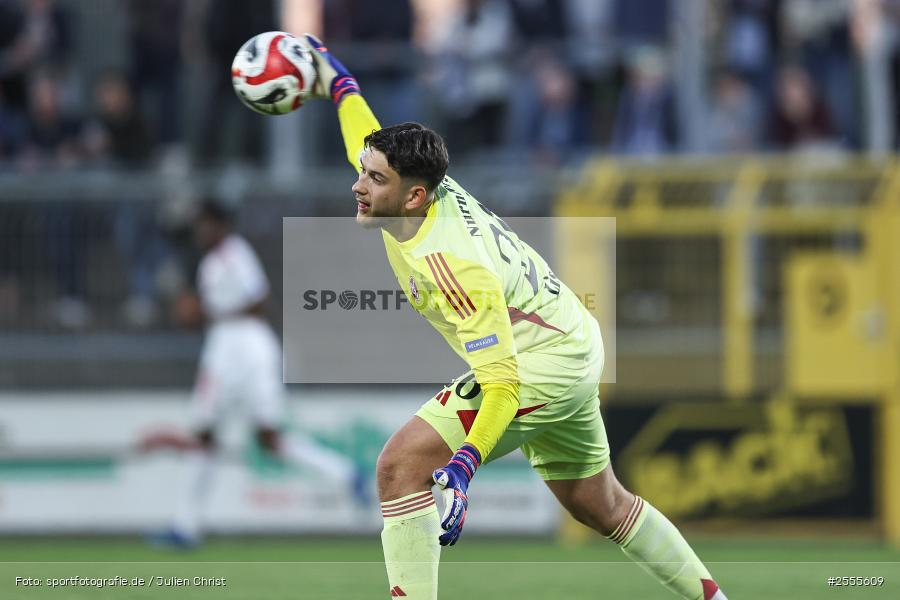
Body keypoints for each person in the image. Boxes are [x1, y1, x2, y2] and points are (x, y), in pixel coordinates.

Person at [303, 35, 728, 600]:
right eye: (365, 171)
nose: (358, 185)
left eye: (375, 179)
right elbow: (365, 138)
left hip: (541, 361)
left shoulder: (450, 265)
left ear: (412, 197)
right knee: (600, 505)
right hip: (573, 338)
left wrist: (462, 467)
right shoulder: (423, 189)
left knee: (399, 467)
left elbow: (502, 386)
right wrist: (340, 85)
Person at [148, 200, 366, 547]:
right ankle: (346, 474)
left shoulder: (232, 254)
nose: (200, 232)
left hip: (237, 349)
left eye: (205, 224)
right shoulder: (215, 261)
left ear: (221, 225)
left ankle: (185, 528)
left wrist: (204, 313)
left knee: (214, 435)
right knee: (260, 438)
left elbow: (258, 299)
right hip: (243, 347)